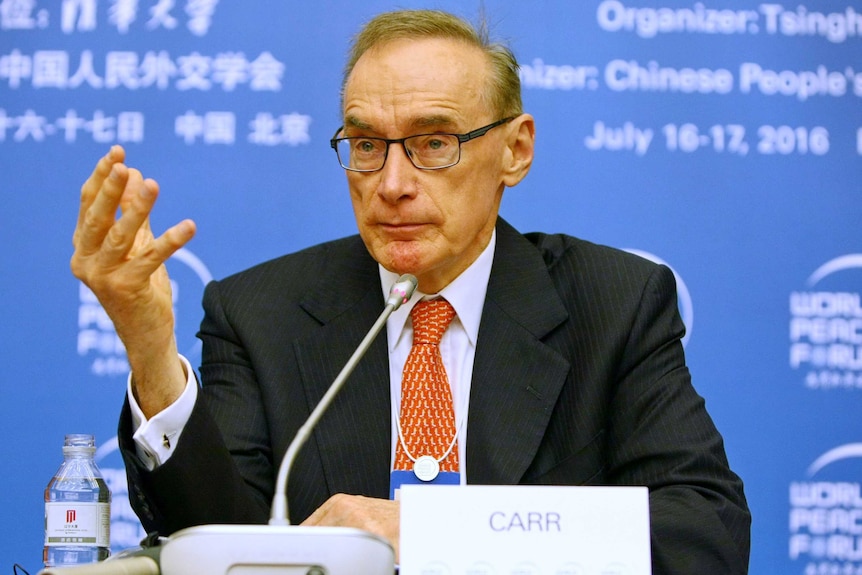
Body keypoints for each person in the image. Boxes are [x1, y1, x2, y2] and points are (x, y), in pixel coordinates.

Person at [71, 8, 751, 573]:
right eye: (367, 145)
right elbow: (221, 548)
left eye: (433, 143)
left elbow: (705, 532)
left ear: (515, 150)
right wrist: (151, 355)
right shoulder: (261, 312)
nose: (391, 183)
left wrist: (430, 532)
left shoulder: (612, 303)